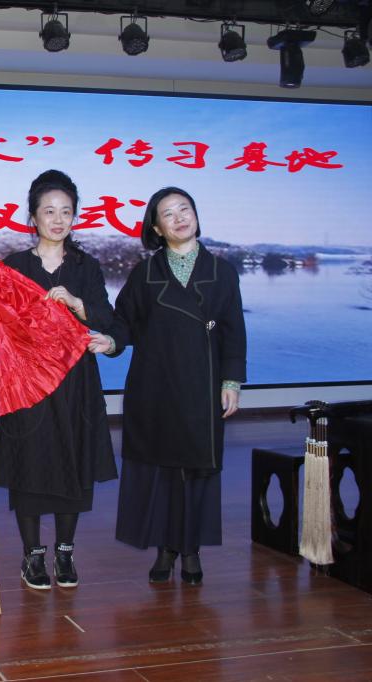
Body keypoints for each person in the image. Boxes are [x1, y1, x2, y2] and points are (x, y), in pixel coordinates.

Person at [107, 186, 247, 585]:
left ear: (196, 215)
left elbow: (234, 331)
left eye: (185, 209)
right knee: (162, 470)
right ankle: (165, 548)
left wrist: (231, 381)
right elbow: (124, 322)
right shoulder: (145, 273)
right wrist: (111, 341)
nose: (180, 218)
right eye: (168, 214)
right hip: (155, 383)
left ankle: (191, 548)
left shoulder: (222, 271)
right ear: (157, 228)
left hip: (202, 382)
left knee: (196, 469)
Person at [0, 170, 118, 590]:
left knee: (73, 462)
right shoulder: (14, 266)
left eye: (66, 211)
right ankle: (32, 555)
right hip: (27, 383)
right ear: (33, 217)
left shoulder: (86, 266)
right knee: (28, 462)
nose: (58, 219)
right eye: (49, 211)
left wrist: (77, 304)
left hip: (76, 381)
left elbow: (106, 318)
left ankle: (65, 552)